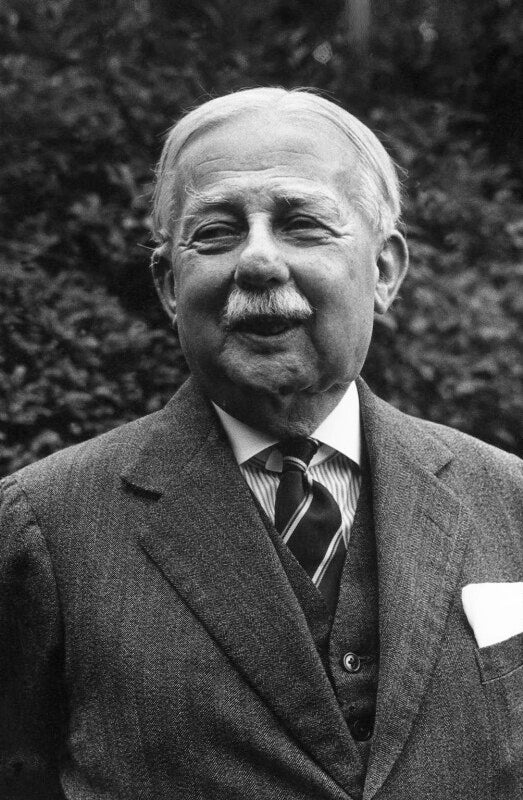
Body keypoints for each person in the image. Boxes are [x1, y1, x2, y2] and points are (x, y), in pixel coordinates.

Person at [1, 88, 522, 800]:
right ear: (168, 286)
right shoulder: (44, 526)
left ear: (383, 271)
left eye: (302, 225)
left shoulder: (508, 500)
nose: (257, 262)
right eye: (216, 233)